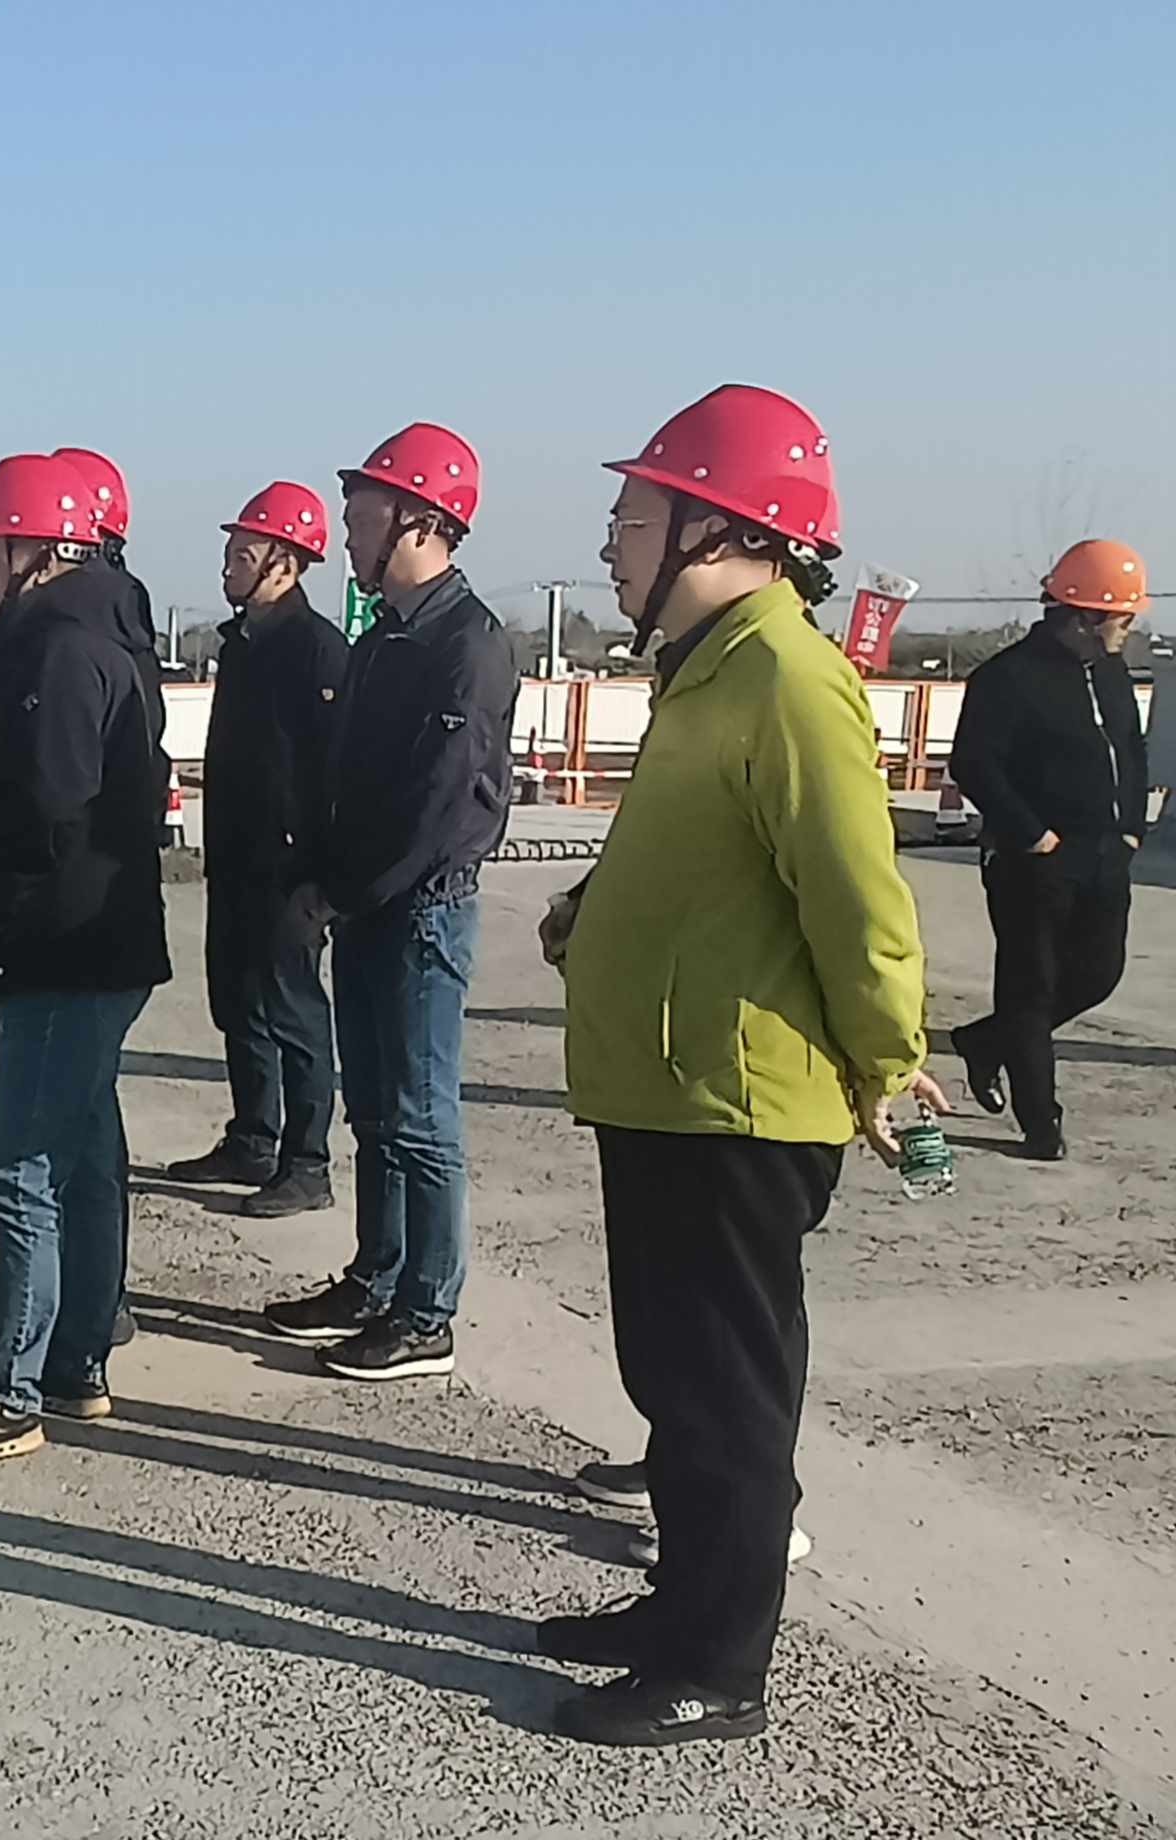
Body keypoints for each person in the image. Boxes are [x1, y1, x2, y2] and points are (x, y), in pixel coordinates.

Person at [535, 384, 943, 1747]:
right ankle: (679, 1607)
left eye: (633, 519)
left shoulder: (789, 678)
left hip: (740, 1104)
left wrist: (887, 1061)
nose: (612, 545)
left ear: (722, 529)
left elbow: (859, 898)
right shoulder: (707, 671)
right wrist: (594, 910)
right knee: (674, 1379)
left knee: (727, 1398)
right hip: (668, 1090)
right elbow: (702, 856)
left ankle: (720, 1663)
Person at [0, 454, 170, 1468]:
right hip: (96, 942)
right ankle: (74, 1361)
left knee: (20, 1171)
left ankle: (12, 1385)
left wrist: (4, 912)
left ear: (37, 549)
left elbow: (49, 808)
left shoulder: (62, 653)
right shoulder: (83, 630)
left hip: (60, 946)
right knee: (86, 1159)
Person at [260, 423, 516, 1382]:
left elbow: (433, 803)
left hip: (420, 911)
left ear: (418, 521)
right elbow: (348, 782)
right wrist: (320, 879)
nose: (347, 532)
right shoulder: (385, 636)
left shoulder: (466, 644)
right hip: (368, 908)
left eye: (362, 515)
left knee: (420, 1118)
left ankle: (426, 1312)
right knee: (373, 1110)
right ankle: (375, 1278)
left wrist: (344, 891)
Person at [168, 483, 349, 1218]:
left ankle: (307, 1163)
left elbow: (333, 775)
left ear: (286, 562)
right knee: (238, 1000)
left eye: (243, 554)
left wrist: (321, 877)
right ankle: (252, 1137)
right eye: (230, 552)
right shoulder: (241, 644)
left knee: (294, 1013)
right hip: (235, 857)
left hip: (288, 871)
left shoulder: (318, 650)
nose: (228, 566)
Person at [945, 538, 1151, 1160]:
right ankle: (1041, 1125)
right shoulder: (1007, 678)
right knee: (1030, 991)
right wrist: (1032, 833)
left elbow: (1130, 751)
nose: (1129, 630)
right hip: (1032, 858)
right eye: (1123, 619)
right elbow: (974, 764)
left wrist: (1131, 828)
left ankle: (985, 1042)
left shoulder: (1111, 674)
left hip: (1105, 852)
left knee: (1097, 974)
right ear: (1084, 617)